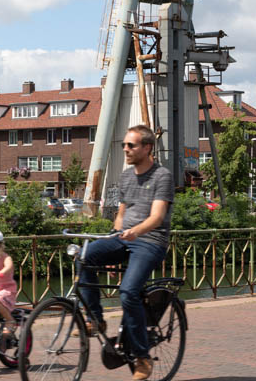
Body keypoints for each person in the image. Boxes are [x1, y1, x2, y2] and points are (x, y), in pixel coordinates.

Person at [78, 124, 174, 381]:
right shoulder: (126, 176)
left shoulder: (162, 176)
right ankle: (96, 319)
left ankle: (142, 358)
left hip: (151, 241)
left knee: (129, 292)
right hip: (125, 238)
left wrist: (136, 232)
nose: (126, 150)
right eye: (124, 145)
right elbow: (121, 213)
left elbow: (157, 217)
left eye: (131, 145)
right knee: (85, 256)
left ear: (147, 148)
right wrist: (114, 239)